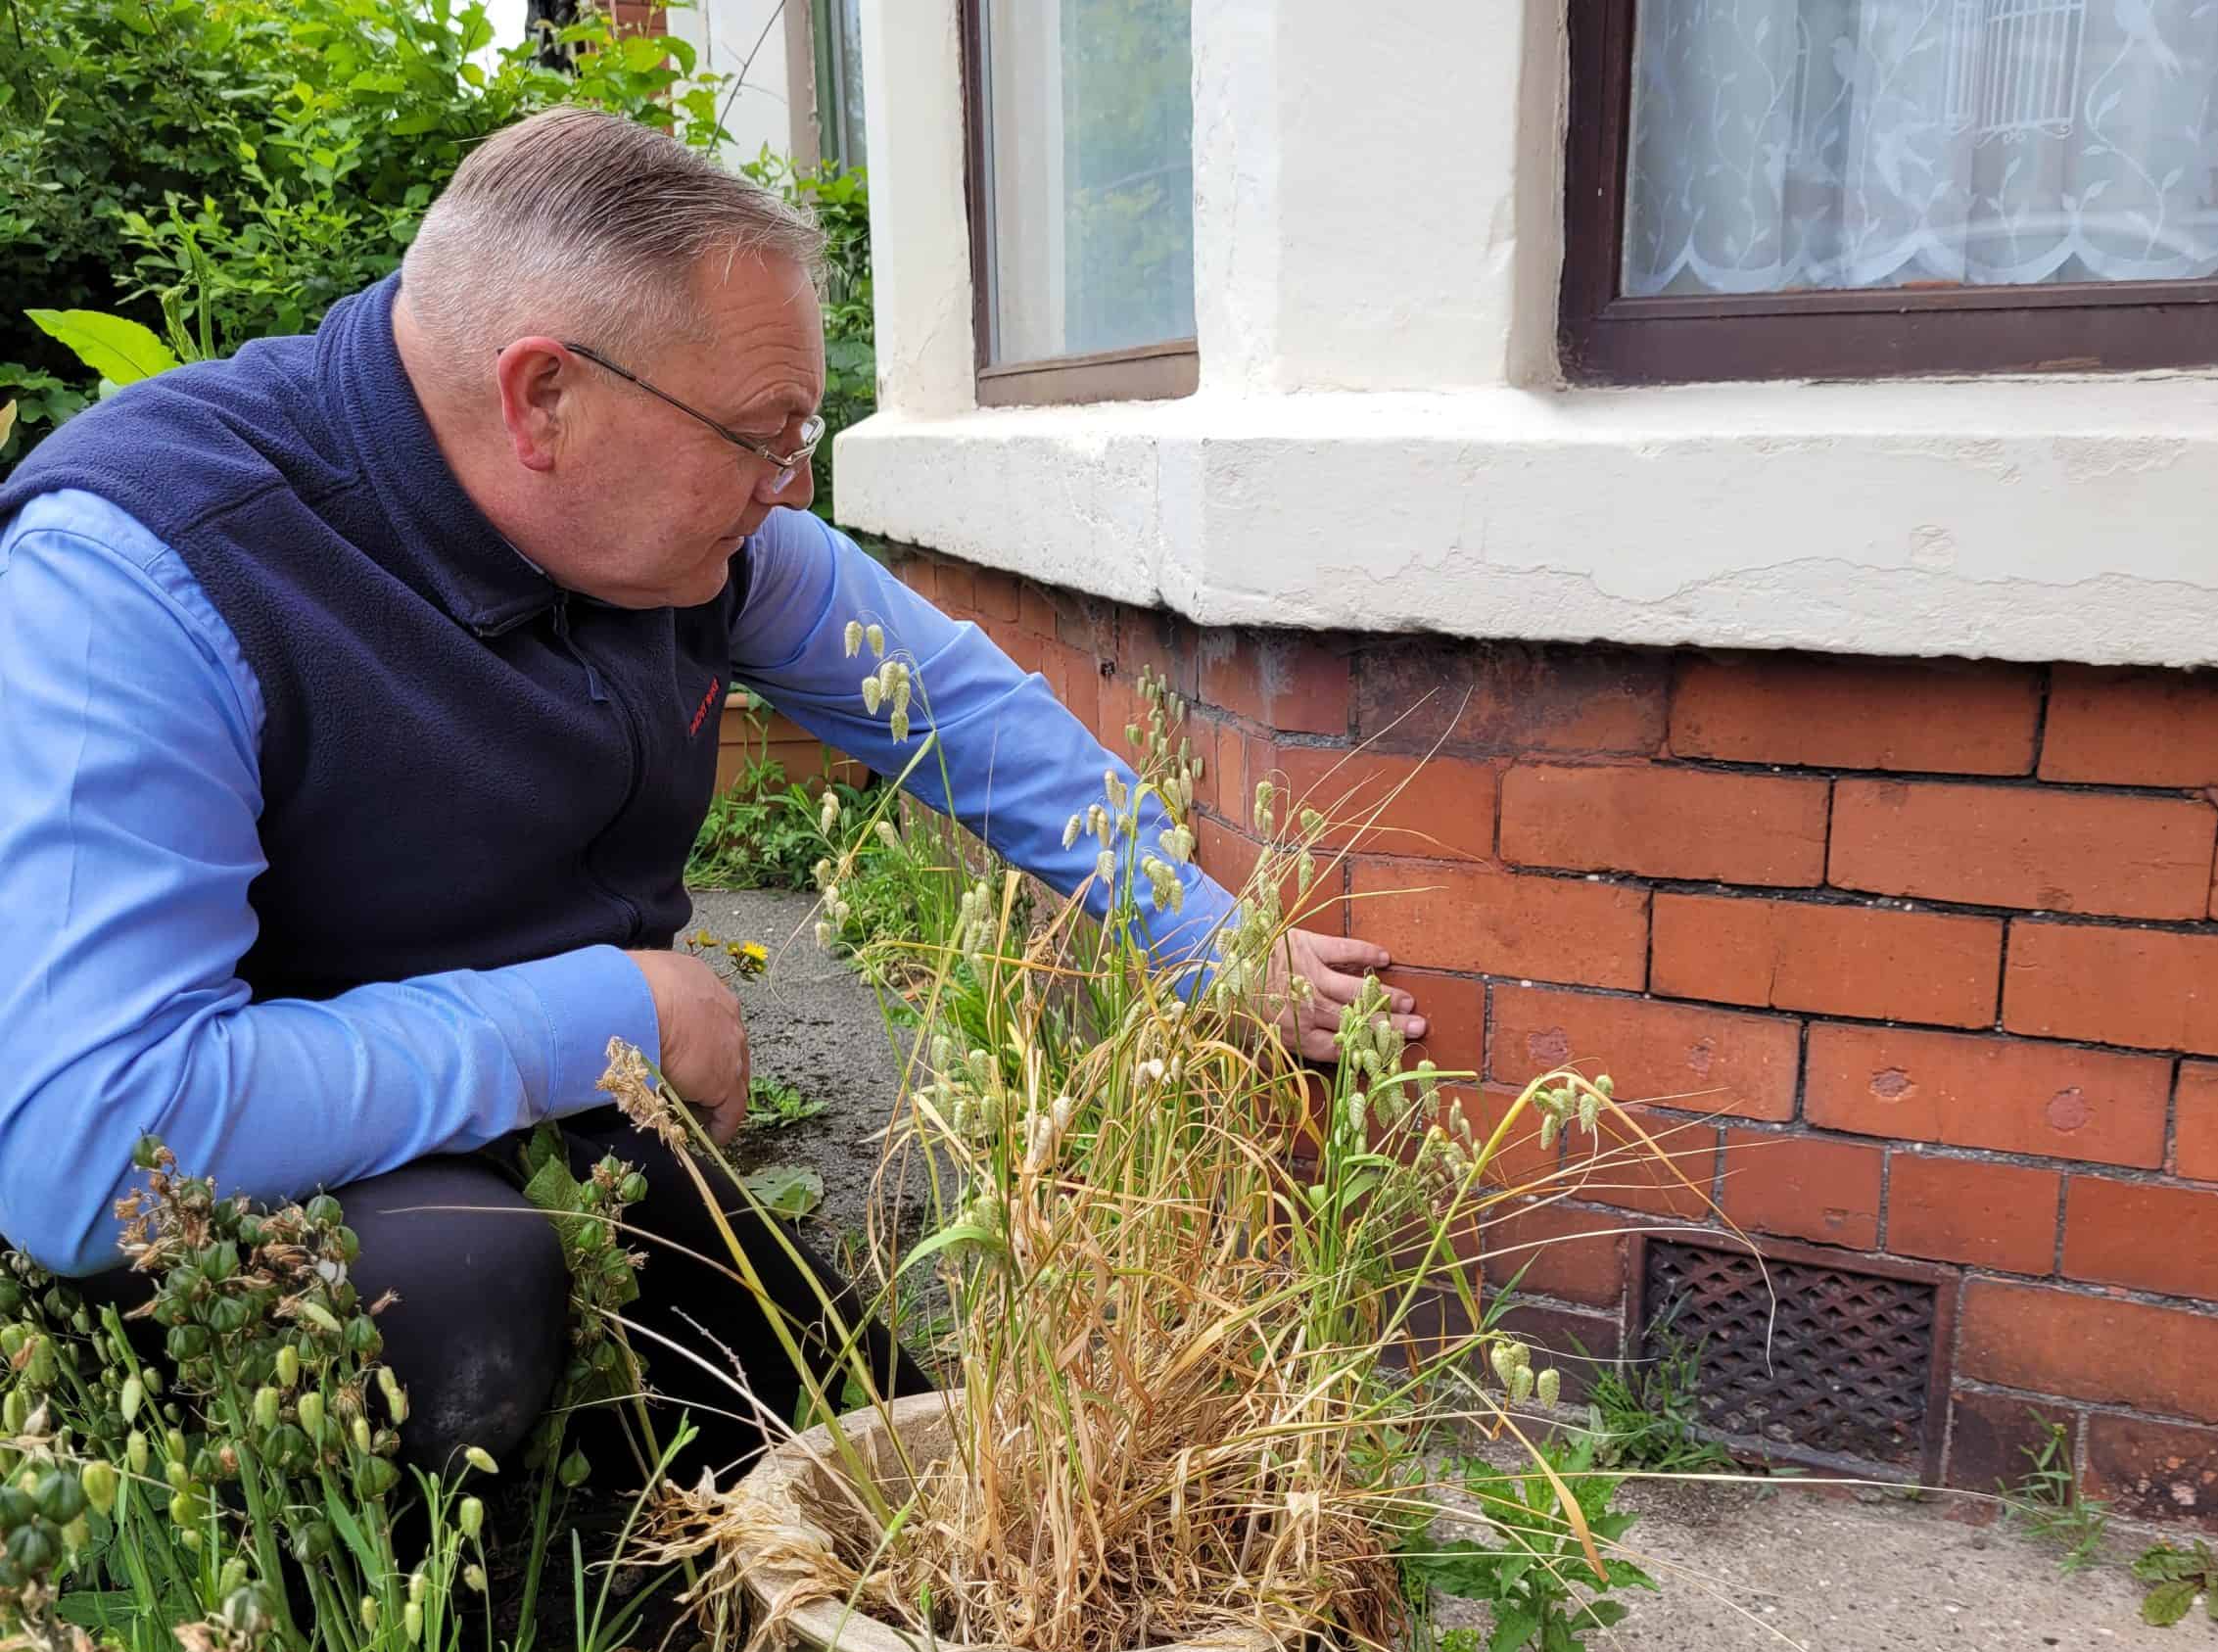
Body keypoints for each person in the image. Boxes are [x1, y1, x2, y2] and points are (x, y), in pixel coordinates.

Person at [0, 107, 1422, 1470]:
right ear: (544, 398)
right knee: (458, 1303)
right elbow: (83, 1148)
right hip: (273, 1174)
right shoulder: (144, 572)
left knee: (870, 1450)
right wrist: (617, 1013)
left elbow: (956, 705)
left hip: (567, 1108)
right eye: (762, 435)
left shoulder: (683, 540)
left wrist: (1205, 941)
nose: (789, 489)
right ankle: (400, 1616)